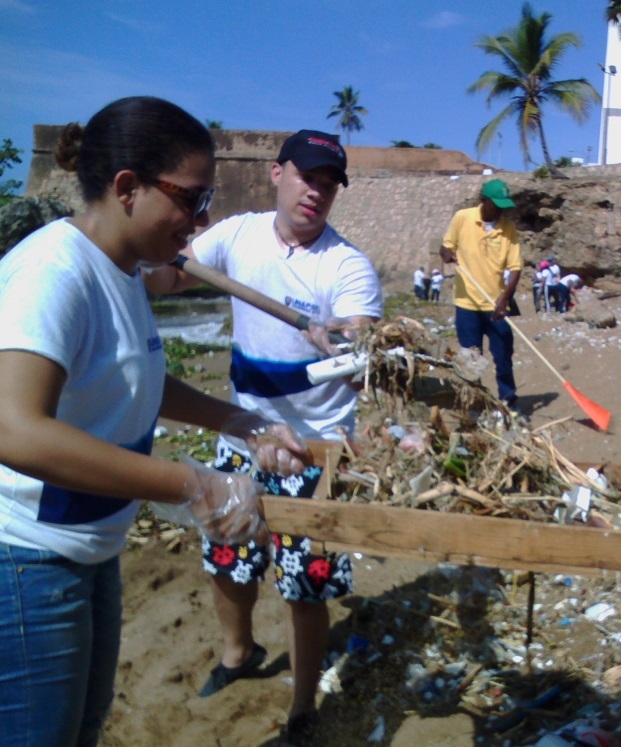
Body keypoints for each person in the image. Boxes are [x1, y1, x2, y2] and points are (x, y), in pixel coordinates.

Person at [0, 96, 308, 747]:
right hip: (26, 559)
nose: (202, 220)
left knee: (80, 727)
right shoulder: (54, 273)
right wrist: (192, 484)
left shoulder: (124, 272)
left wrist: (242, 420)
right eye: (192, 199)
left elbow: (134, 379)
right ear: (127, 188)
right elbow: (13, 428)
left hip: (90, 550)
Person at [145, 129, 382, 743]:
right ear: (277, 174)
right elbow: (172, 277)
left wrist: (347, 343)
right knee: (227, 557)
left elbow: (362, 340)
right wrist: (128, 265)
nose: (318, 192)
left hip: (316, 446)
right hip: (244, 431)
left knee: (305, 583)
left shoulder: (346, 265)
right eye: (308, 177)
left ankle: (302, 708)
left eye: (330, 184)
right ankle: (238, 652)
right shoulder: (237, 234)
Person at [439, 179, 522, 408]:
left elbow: (515, 268)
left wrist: (504, 298)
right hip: (466, 304)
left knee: (503, 355)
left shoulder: (509, 229)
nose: (502, 210)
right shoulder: (463, 218)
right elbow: (446, 247)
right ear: (483, 201)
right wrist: (446, 254)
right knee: (471, 360)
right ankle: (475, 404)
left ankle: (508, 401)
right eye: (497, 204)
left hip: (495, 305)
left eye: (505, 205)